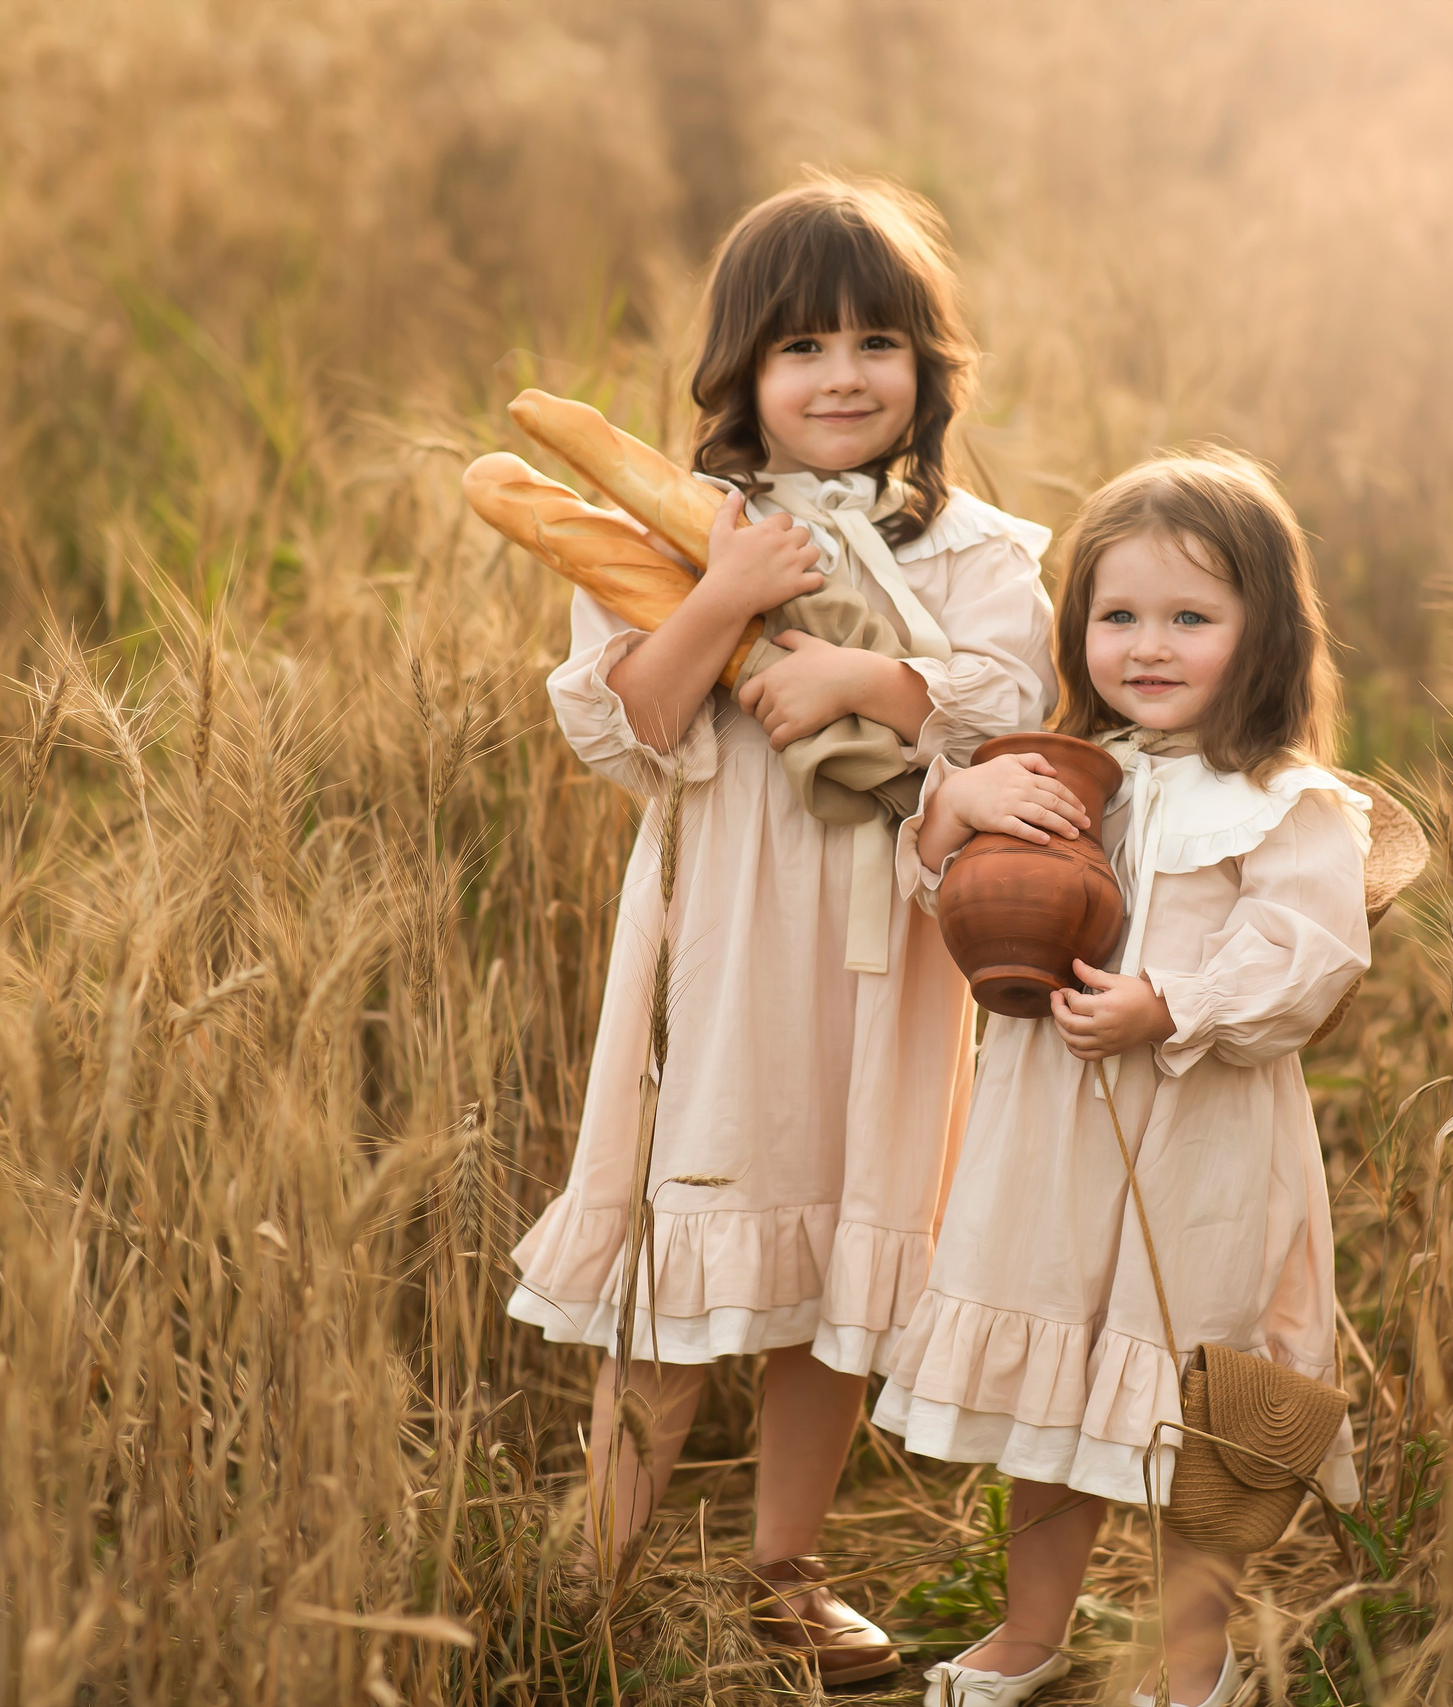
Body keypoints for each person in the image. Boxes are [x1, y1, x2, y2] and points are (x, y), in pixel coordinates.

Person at [505, 175, 1056, 1685]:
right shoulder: (673, 535)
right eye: (802, 346)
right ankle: (593, 1572)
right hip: (729, 945)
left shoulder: (979, 551)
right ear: (741, 372)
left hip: (894, 953)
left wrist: (869, 685)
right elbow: (625, 734)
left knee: (837, 1257)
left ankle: (781, 1571)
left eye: (879, 342)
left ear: (927, 374)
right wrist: (724, 598)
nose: (841, 375)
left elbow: (1015, 708)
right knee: (690, 1235)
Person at [876, 452, 1372, 1707]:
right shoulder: (1055, 775)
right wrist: (948, 820)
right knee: (1050, 1368)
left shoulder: (1282, 800)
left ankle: (1191, 1658)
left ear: (1263, 635)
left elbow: (1309, 956)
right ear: (1077, 626)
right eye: (1119, 617)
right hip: (1052, 1131)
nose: (1149, 647)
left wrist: (1170, 1002)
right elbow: (957, 898)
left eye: (1191, 619)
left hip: (1197, 1137)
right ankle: (1030, 1630)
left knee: (1198, 1392)